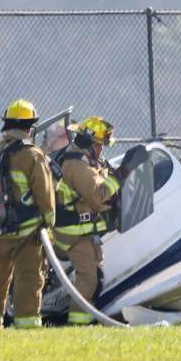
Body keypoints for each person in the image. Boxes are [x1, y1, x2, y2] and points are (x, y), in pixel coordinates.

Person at [0, 99, 55, 329]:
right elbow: (45, 193)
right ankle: (27, 325)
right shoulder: (32, 155)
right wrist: (49, 224)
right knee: (28, 278)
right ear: (29, 127)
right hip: (26, 232)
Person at [53, 116, 120, 325]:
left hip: (84, 231)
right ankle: (77, 323)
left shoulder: (86, 160)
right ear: (90, 143)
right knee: (88, 278)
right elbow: (99, 197)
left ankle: (86, 318)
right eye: (100, 145)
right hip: (74, 234)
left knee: (95, 277)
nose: (102, 150)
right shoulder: (77, 164)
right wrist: (119, 178)